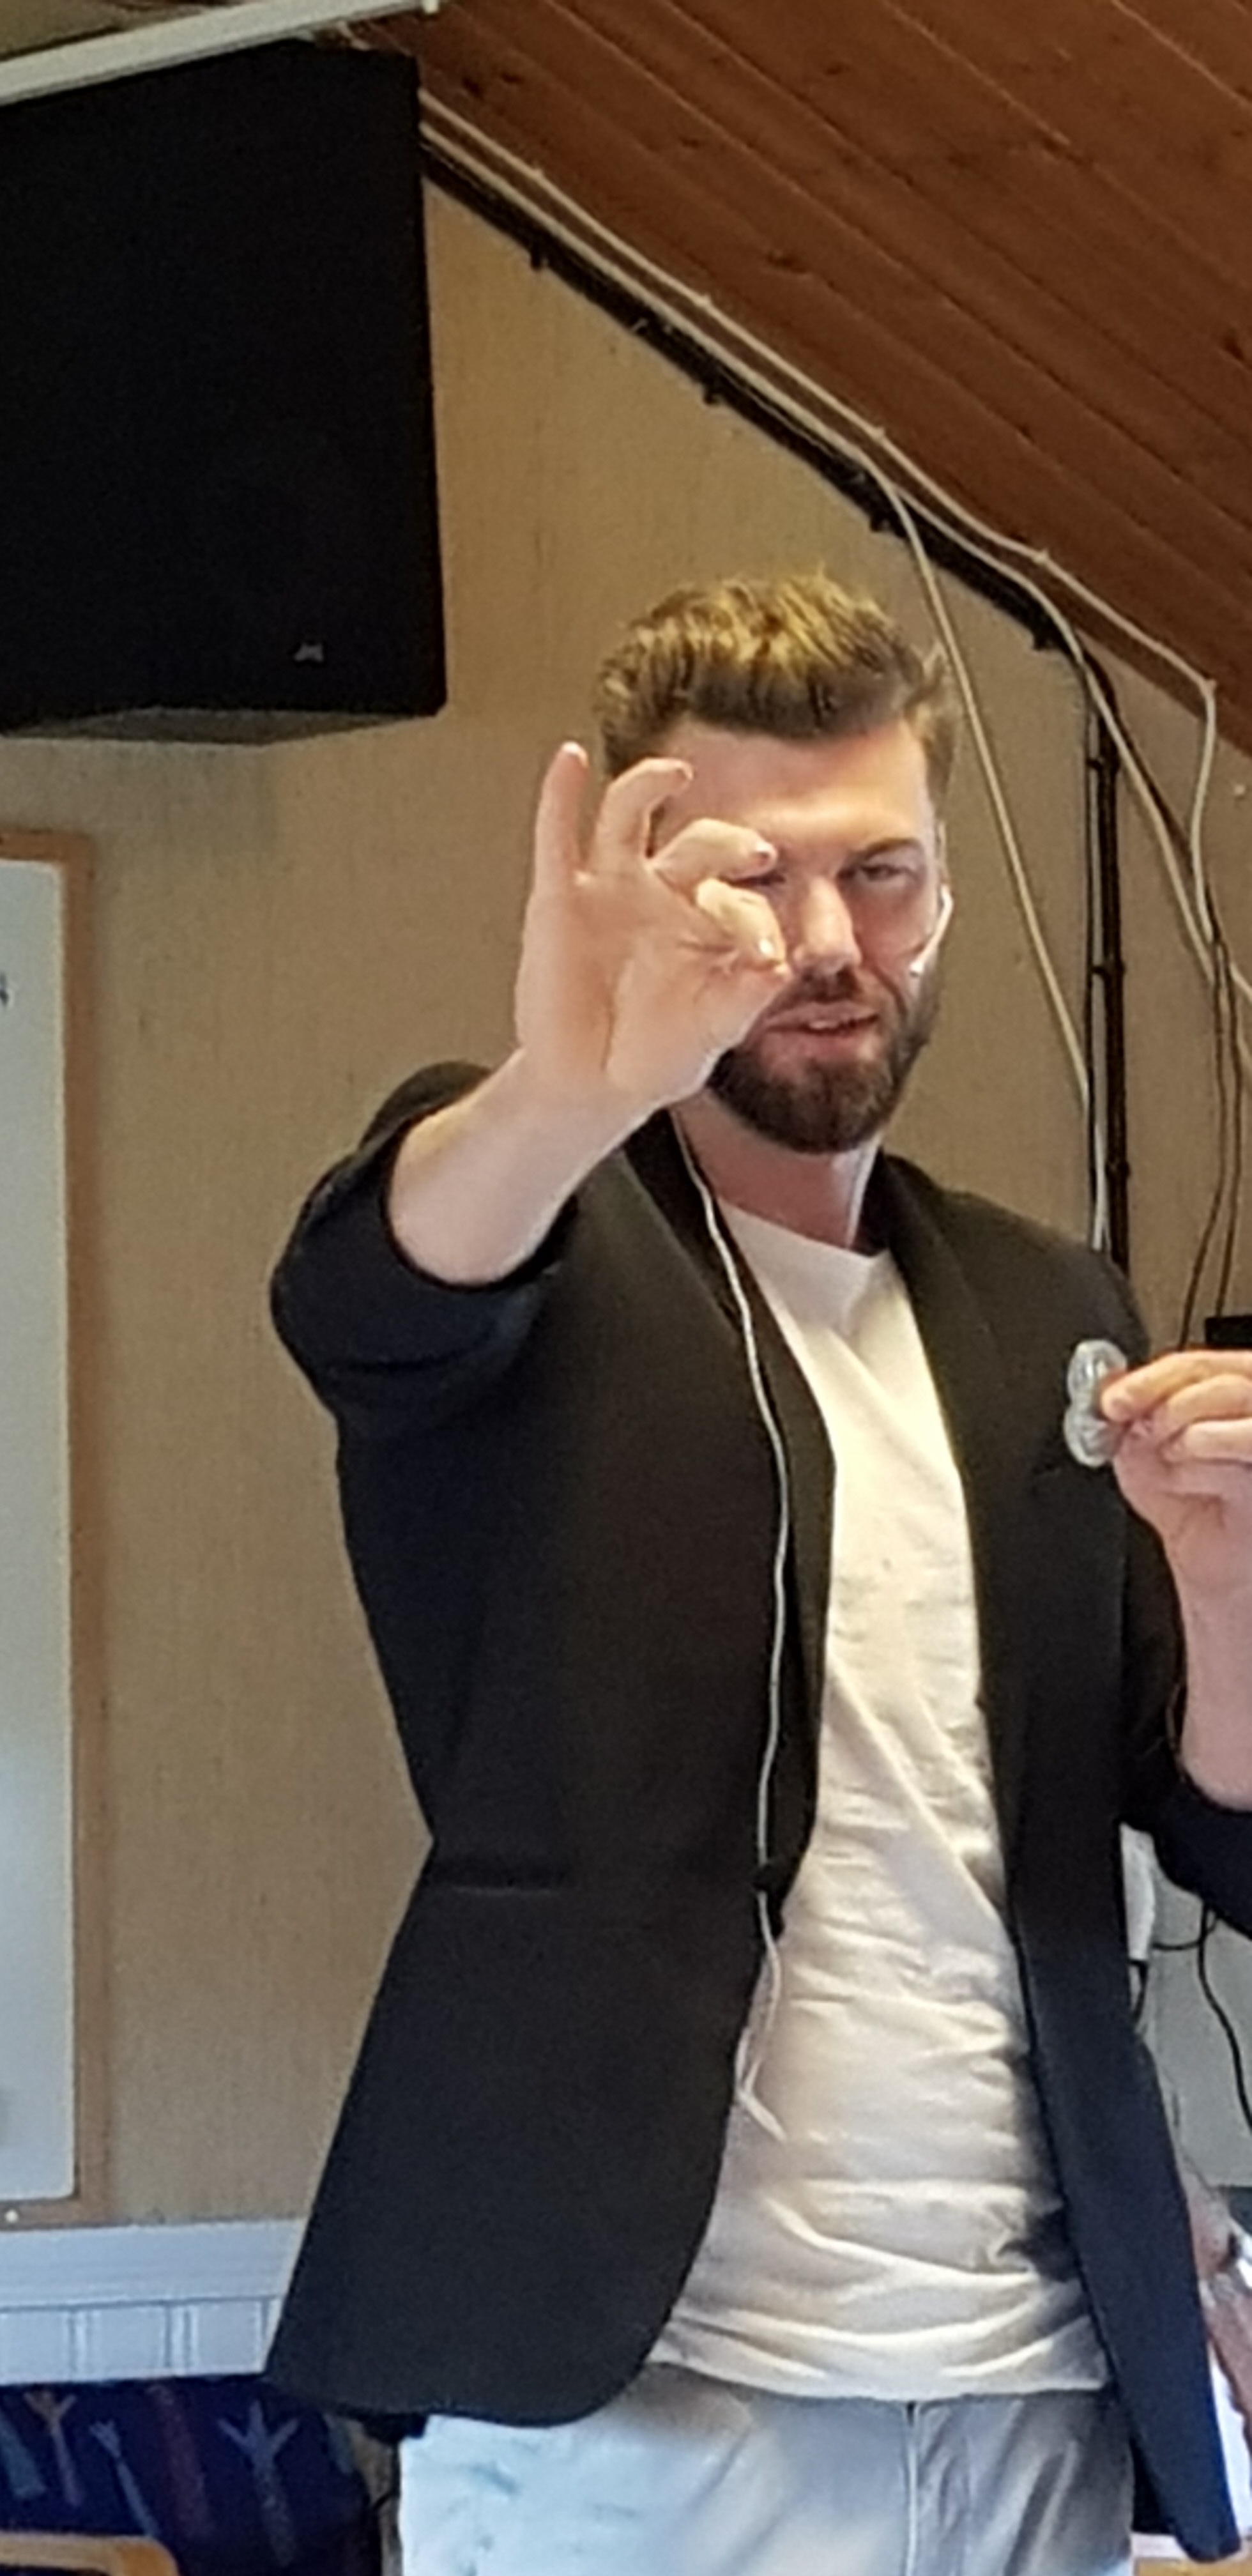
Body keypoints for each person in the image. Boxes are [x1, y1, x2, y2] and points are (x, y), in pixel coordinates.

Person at [268, 574, 1252, 2575]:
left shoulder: (1047, 1313)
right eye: (753, 879)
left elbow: (1220, 1830)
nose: (824, 944)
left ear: (944, 893)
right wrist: (568, 1085)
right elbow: (364, 1303)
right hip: (639, 2413)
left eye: (880, 874)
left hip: (1037, 2394)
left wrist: (1229, 1586)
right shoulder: (541, 1216)